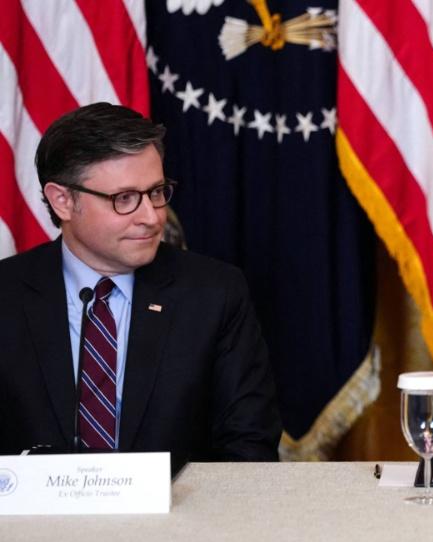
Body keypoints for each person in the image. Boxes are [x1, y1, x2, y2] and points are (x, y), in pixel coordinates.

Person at [0, 103, 281, 465]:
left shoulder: (215, 294)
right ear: (63, 201)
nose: (151, 217)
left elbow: (250, 446)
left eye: (157, 192)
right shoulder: (7, 296)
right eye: (125, 199)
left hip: (182, 518)